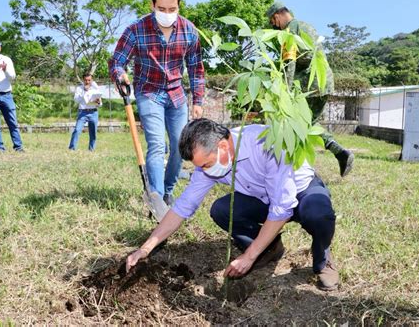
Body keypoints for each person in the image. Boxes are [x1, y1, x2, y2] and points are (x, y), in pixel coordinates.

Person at [126, 118, 340, 291]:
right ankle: (270, 248)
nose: (206, 170)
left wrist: (248, 257)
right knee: (221, 210)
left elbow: (282, 208)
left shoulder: (265, 142)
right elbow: (182, 207)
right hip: (264, 198)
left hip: (301, 190)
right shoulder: (208, 165)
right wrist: (145, 248)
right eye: (201, 167)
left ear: (222, 145)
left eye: (207, 164)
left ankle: (323, 259)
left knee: (319, 214)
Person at [108, 0, 205, 206]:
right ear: (152, 6)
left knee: (181, 147)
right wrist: (120, 74)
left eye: (172, 9)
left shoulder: (189, 30)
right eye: (162, 8)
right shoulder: (136, 29)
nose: (167, 13)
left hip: (177, 95)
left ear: (179, 6)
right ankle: (157, 198)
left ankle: (168, 190)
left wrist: (198, 100)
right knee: (157, 145)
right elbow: (117, 61)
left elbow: (196, 68)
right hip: (149, 92)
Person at [266, 1, 354, 177]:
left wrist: (286, 91)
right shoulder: (306, 26)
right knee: (308, 123)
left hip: (310, 85)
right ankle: (340, 153)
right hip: (324, 80)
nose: (275, 27)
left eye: (272, 23)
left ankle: (296, 168)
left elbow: (289, 64)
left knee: (299, 125)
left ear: (276, 16)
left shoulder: (289, 32)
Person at [68, 73, 102, 151]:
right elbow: (76, 100)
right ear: (83, 80)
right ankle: (72, 148)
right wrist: (84, 92)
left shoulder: (95, 89)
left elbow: (100, 104)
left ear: (92, 80)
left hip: (93, 112)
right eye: (86, 80)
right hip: (82, 112)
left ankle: (91, 149)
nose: (87, 82)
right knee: (77, 130)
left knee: (93, 133)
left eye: (89, 80)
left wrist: (98, 102)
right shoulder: (79, 89)